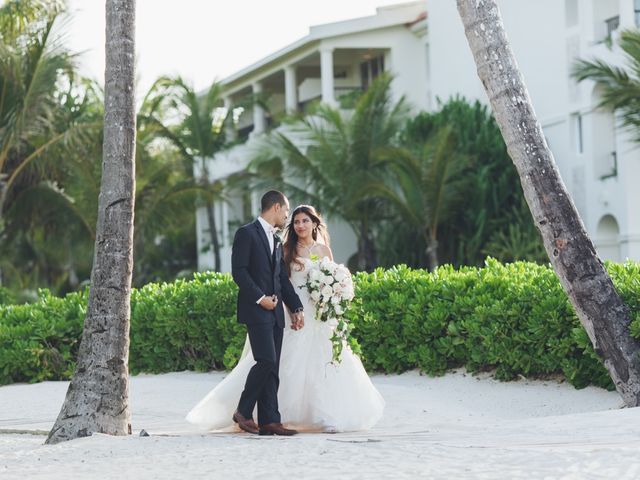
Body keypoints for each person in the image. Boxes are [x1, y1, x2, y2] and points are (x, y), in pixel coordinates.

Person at [186, 203, 384, 433]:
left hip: (316, 312)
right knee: (279, 361)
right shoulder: (285, 248)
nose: (299, 225)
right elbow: (279, 281)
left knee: (324, 360)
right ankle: (264, 414)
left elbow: (334, 277)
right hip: (289, 311)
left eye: (304, 221)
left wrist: (334, 295)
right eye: (296, 221)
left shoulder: (323, 250)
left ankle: (324, 415)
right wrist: (292, 309)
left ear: (314, 223)